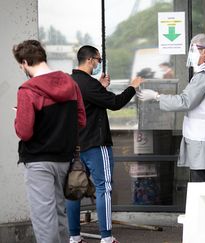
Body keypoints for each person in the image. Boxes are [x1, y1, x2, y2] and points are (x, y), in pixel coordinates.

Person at [66, 45, 143, 243]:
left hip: (74, 146)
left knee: (74, 190)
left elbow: (88, 101)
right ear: (90, 60)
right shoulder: (88, 83)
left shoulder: (69, 81)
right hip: (95, 145)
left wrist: (100, 87)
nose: (99, 64)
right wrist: (133, 87)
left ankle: (74, 237)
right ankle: (106, 238)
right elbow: (116, 103)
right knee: (104, 188)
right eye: (99, 60)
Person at [12, 40, 86, 243]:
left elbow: (24, 132)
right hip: (64, 158)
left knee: (44, 218)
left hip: (38, 161)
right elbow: (80, 120)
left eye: (21, 66)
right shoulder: (70, 83)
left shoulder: (28, 90)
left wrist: (19, 116)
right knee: (59, 214)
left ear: (26, 61)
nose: (22, 69)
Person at [137, 34, 205, 182]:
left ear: (204, 52)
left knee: (201, 184)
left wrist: (157, 96)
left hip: (202, 138)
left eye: (192, 49)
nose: (190, 53)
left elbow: (185, 101)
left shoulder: (204, 75)